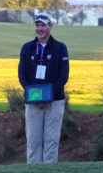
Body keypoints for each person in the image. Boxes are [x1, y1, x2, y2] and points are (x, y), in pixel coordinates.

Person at [17, 13, 70, 164]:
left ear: (50, 26)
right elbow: (23, 75)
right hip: (33, 102)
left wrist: (47, 97)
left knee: (52, 139)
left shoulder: (60, 48)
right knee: (33, 141)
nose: (40, 29)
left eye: (43, 25)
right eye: (37, 25)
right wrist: (37, 98)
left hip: (54, 101)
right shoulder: (27, 48)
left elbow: (63, 76)